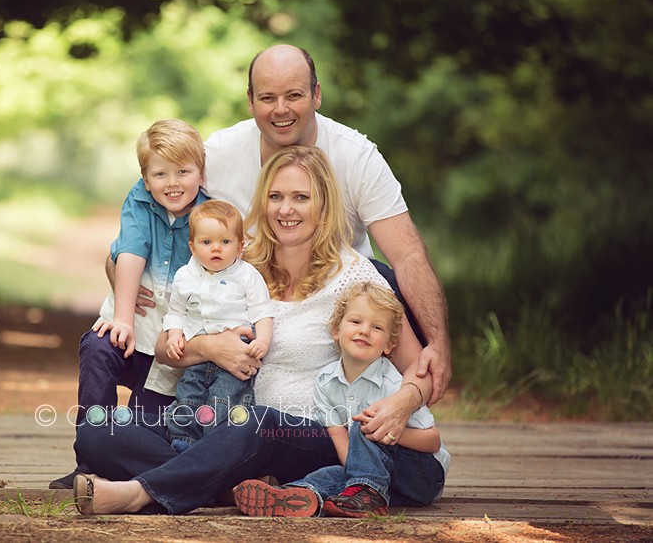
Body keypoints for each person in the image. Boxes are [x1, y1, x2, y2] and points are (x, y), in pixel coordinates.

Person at [72, 145, 432, 516]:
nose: (286, 209)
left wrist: (403, 402)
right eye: (276, 196)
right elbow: (165, 349)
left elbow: (418, 367)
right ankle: (223, 483)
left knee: (256, 422)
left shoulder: (354, 275)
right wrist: (210, 348)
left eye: (301, 198)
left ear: (323, 205)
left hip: (305, 435)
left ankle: (137, 494)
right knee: (98, 433)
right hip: (216, 421)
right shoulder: (233, 260)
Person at [110, 44, 452, 425]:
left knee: (384, 281)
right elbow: (155, 196)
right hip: (245, 294)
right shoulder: (219, 153)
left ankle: (384, 410)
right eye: (268, 98)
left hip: (332, 299)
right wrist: (121, 267)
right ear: (251, 100)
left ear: (317, 95)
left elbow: (408, 255)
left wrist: (438, 344)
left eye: (294, 95)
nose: (281, 109)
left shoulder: (356, 157)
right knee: (128, 430)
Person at [48, 119, 209, 489]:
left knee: (142, 432)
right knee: (98, 346)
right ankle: (87, 464)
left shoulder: (209, 214)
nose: (172, 183)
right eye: (161, 173)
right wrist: (123, 319)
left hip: (172, 355)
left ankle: (140, 469)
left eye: (183, 172)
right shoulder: (138, 201)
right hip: (134, 332)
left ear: (201, 175)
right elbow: (132, 252)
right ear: (145, 176)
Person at [232, 282, 449, 518]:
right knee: (329, 474)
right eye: (356, 322)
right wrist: (357, 469)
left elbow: (433, 442)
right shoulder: (326, 382)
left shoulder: (394, 385)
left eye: (376, 327)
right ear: (336, 331)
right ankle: (300, 494)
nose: (364, 330)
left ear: (389, 345)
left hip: (424, 475)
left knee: (364, 425)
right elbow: (343, 447)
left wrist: (386, 430)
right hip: (384, 481)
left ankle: (365, 492)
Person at [163, 200, 274, 453]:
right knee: (188, 395)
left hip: (237, 352)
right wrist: (174, 335)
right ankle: (184, 442)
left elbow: (263, 313)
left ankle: (217, 448)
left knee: (224, 400)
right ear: (192, 247)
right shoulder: (184, 277)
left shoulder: (246, 276)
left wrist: (262, 341)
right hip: (197, 355)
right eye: (206, 242)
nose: (216, 248)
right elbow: (176, 311)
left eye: (225, 242)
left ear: (239, 247)